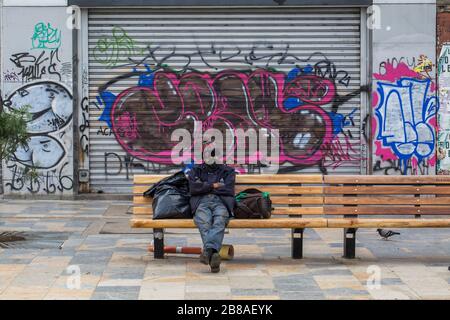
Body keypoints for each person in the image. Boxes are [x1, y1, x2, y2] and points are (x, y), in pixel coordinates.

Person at [187, 148, 236, 273]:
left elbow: (228, 189)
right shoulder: (195, 170)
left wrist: (204, 186)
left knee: (220, 221)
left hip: (221, 202)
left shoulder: (228, 171)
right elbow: (193, 189)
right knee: (204, 223)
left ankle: (208, 252)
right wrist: (213, 185)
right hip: (201, 202)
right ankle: (214, 255)